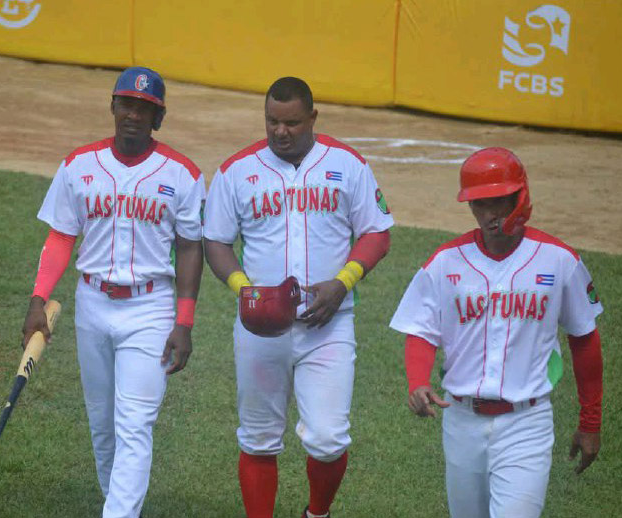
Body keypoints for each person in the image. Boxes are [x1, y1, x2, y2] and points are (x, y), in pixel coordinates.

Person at [203, 76, 393, 518]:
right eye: (271, 121)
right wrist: (244, 290)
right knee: (258, 437)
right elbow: (216, 241)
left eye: (290, 123)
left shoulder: (348, 164)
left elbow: (376, 232)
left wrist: (343, 281)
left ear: (312, 118)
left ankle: (317, 514)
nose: (279, 132)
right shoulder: (237, 171)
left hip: (329, 325)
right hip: (259, 328)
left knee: (327, 439)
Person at [21, 66, 205, 518]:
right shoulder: (78, 165)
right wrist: (38, 299)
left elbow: (189, 247)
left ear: (158, 118)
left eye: (145, 109)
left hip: (150, 308)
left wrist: (184, 322)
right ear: (112, 107)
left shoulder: (182, 174)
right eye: (126, 104)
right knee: (103, 427)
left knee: (134, 424)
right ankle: (120, 506)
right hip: (91, 305)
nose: (133, 115)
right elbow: (62, 237)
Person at [389, 147, 604, 517]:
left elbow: (585, 339)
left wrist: (590, 422)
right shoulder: (445, 262)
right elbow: (421, 331)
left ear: (521, 197)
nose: (491, 215)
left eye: (500, 202)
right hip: (461, 421)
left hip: (526, 424)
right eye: (480, 205)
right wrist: (416, 380)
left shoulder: (559, 260)